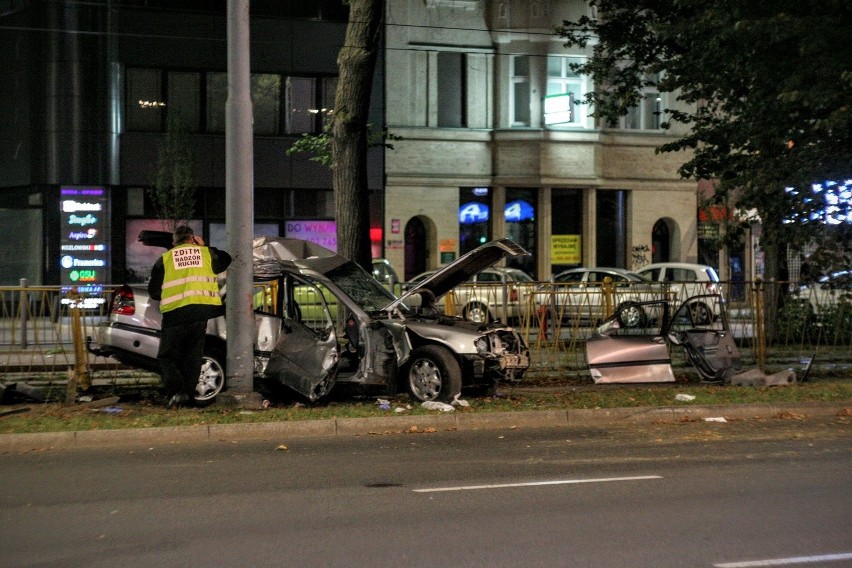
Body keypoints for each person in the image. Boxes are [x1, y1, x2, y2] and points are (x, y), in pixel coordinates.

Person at [148, 225, 231, 408]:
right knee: (192, 358)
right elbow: (226, 259)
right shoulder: (206, 254)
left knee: (167, 357)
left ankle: (178, 393)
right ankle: (189, 399)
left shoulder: (165, 260)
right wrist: (203, 246)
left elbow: (154, 292)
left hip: (175, 315)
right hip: (199, 316)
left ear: (174, 241)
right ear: (192, 239)